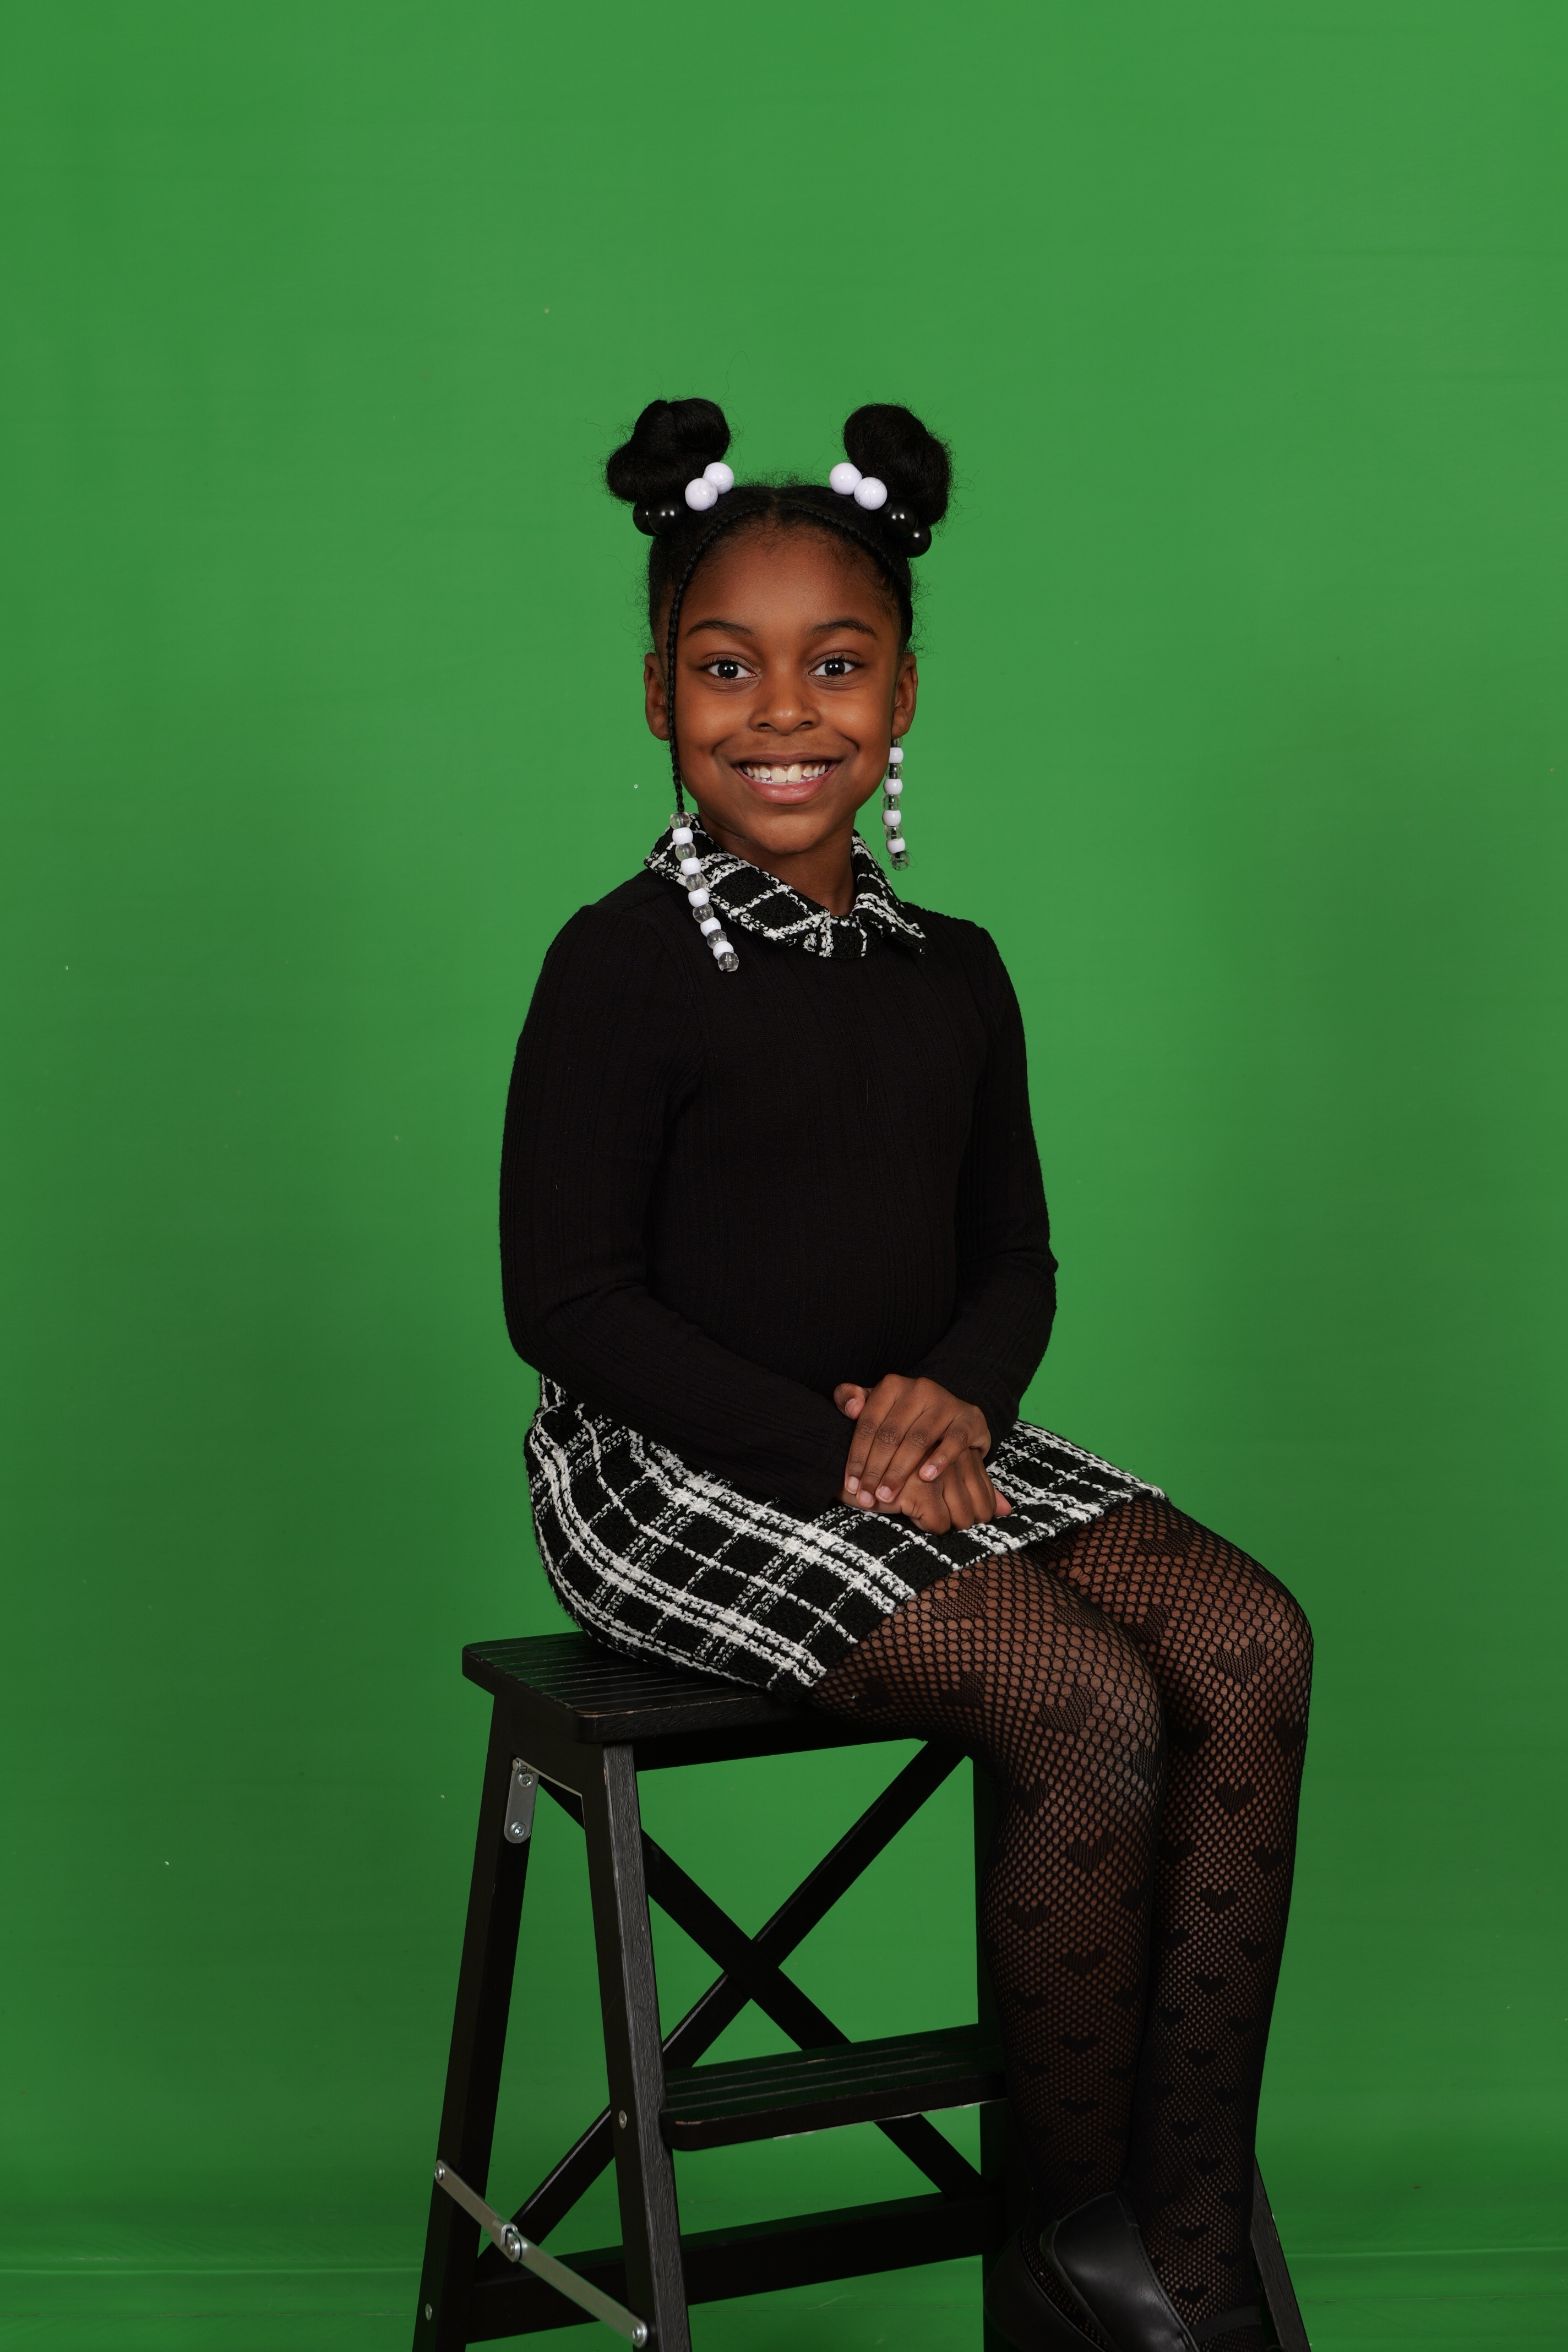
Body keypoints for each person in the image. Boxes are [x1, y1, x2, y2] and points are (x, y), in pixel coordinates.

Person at [499, 398, 1313, 2352]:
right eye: (727, 668)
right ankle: (1061, 2250)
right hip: (675, 1466)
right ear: (658, 696)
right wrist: (842, 1451)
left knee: (1249, 1643)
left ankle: (1180, 2243)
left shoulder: (959, 970)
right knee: (1076, 1694)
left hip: (918, 1439)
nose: (784, 711)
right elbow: (571, 1305)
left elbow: (1014, 1260)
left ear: (904, 698)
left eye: (836, 665)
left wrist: (953, 1399)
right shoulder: (620, 964)